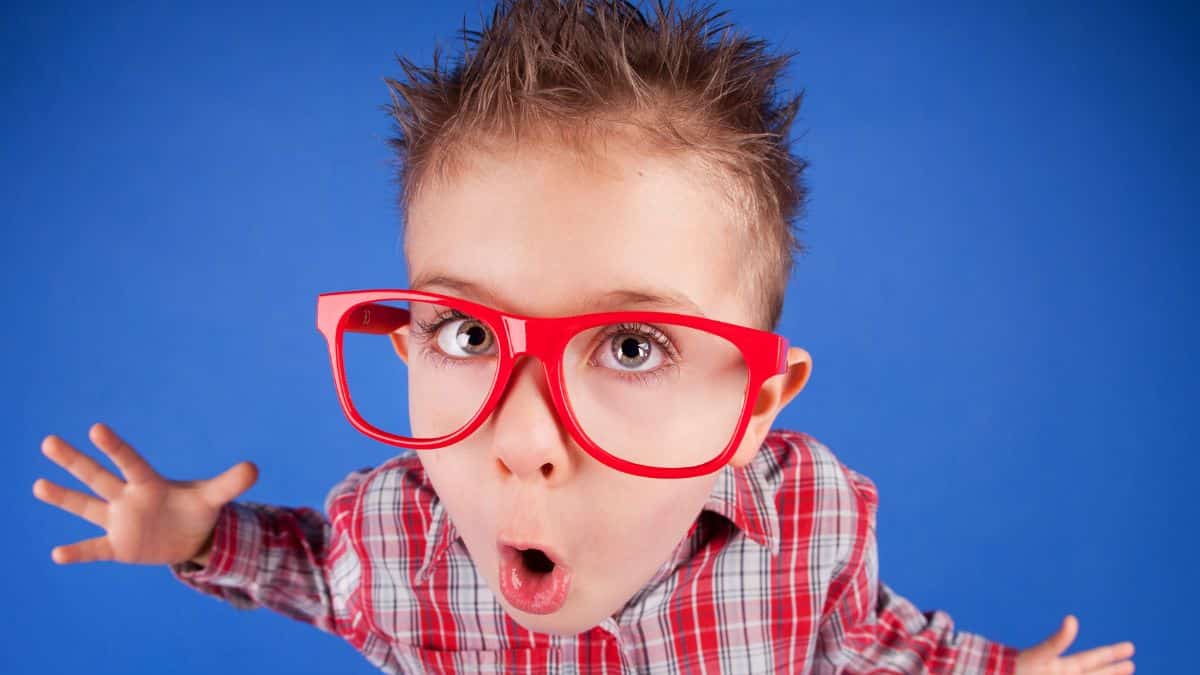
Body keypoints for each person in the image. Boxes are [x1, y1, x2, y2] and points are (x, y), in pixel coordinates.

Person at [32, 1, 1136, 673]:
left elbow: (873, 636)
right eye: (464, 329)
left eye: (632, 347)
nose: (521, 440)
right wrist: (189, 534)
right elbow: (317, 575)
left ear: (754, 406)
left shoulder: (811, 526)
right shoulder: (392, 543)